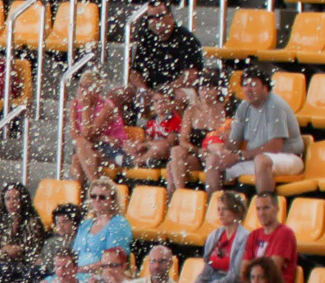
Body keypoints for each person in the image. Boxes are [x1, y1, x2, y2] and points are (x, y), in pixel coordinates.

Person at [204, 67, 304, 199]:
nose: (248, 89)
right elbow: (233, 144)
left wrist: (238, 156)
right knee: (213, 161)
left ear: (265, 88)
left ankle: (266, 209)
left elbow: (274, 148)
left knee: (261, 160)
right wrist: (223, 152)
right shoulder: (244, 107)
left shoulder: (275, 106)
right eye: (245, 85)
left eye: (254, 85)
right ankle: (215, 209)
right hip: (254, 158)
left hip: (288, 158)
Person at [129, 6, 204, 100]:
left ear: (170, 17)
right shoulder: (147, 38)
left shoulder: (186, 39)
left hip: (176, 89)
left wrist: (165, 90)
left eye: (158, 17)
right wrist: (145, 90)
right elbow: (135, 73)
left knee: (181, 96)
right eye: (150, 18)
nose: (154, 21)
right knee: (119, 94)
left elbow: (190, 76)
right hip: (150, 90)